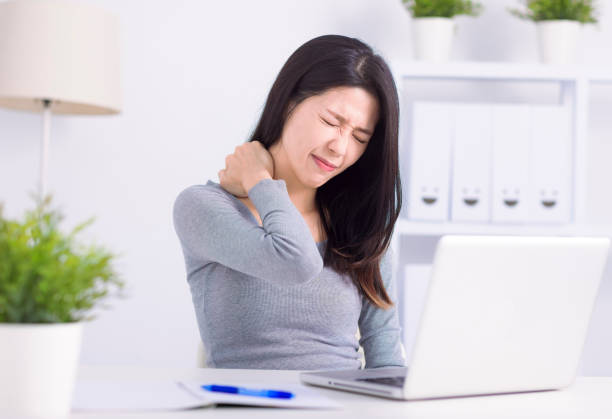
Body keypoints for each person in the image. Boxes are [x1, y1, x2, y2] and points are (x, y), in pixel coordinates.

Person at [173, 34, 405, 370]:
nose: (339, 149)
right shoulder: (202, 207)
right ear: (287, 103)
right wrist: (259, 181)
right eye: (331, 122)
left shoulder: (360, 230)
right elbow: (296, 262)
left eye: (359, 137)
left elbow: (387, 362)